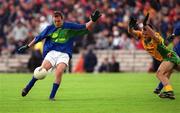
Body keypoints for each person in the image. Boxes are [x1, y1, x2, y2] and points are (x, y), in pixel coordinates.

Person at [18, 9, 101, 100]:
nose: (57, 23)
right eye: (55, 21)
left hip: (64, 54)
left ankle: (52, 96)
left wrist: (93, 21)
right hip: (52, 53)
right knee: (42, 70)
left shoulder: (69, 26)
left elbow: (85, 26)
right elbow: (38, 38)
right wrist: (27, 46)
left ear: (62, 19)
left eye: (58, 21)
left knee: (59, 72)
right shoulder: (49, 28)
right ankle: (27, 88)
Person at [128, 17, 180, 99]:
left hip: (170, 57)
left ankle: (169, 92)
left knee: (159, 73)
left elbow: (153, 35)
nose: (144, 34)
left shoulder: (156, 37)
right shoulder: (142, 35)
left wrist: (146, 25)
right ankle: (166, 91)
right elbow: (131, 32)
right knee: (165, 74)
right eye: (143, 31)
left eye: (146, 32)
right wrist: (130, 26)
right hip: (168, 58)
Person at [154, 21, 180, 95]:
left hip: (174, 57)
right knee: (168, 71)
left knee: (159, 73)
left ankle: (168, 91)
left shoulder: (177, 46)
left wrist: (173, 34)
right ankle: (160, 88)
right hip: (175, 58)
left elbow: (177, 29)